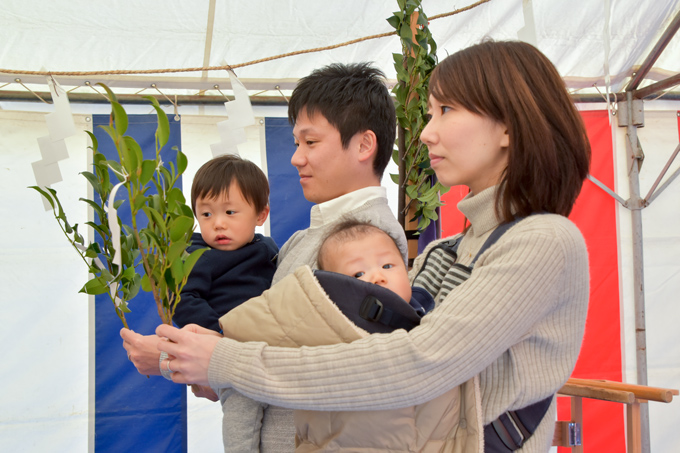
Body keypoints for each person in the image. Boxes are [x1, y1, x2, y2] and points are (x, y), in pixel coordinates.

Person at [153, 40, 592, 453]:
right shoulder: (449, 250)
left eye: (445, 111)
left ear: (508, 127)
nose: (425, 133)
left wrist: (226, 361)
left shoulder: (544, 240)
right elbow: (367, 351)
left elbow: (417, 363)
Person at [122, 62, 407, 452]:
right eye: (295, 143)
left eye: (310, 142)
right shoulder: (307, 237)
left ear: (363, 145)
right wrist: (206, 366)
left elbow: (331, 371)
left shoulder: (368, 241)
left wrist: (180, 358)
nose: (296, 158)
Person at [218, 219, 482, 451]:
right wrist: (216, 349)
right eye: (358, 273)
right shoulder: (325, 326)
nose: (377, 276)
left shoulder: (429, 315)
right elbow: (257, 325)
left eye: (389, 265)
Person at [169, 154, 278, 405]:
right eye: (206, 214)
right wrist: (218, 334)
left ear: (261, 215)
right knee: (242, 416)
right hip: (224, 353)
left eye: (230, 212)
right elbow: (183, 300)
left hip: (266, 356)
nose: (218, 223)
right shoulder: (197, 255)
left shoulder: (269, 250)